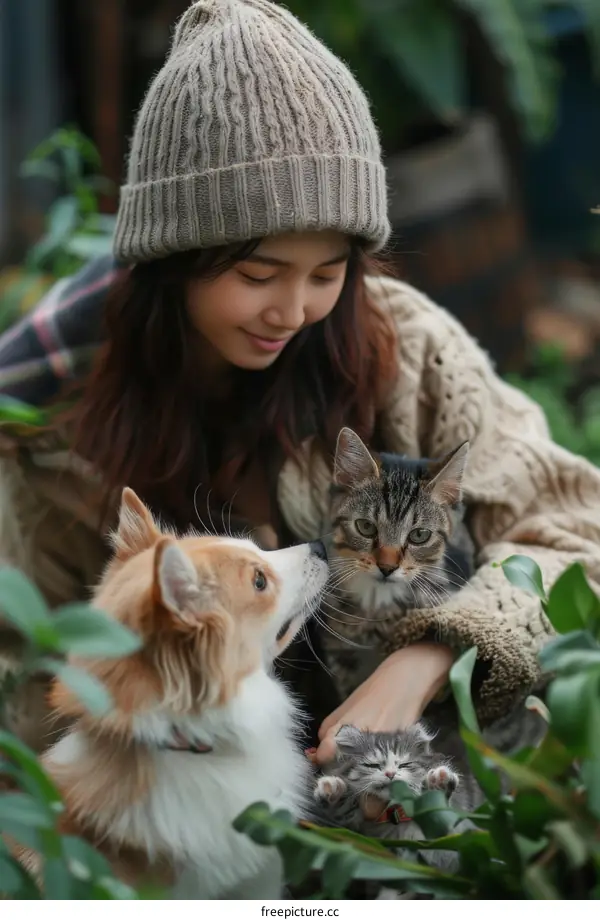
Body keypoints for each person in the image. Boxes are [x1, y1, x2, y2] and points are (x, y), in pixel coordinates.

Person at [0, 0, 599, 760]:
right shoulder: (58, 414)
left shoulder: (403, 346)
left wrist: (432, 655)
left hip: (424, 783)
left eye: (328, 271)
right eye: (259, 273)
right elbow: (31, 669)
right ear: (174, 259)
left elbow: (575, 530)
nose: (293, 310)